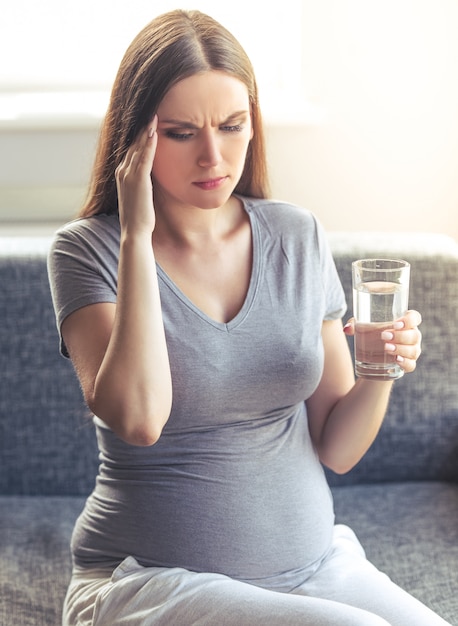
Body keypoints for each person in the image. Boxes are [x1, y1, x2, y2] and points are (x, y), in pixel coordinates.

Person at [47, 9, 449, 626]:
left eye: (233, 126)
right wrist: (137, 235)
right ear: (136, 138)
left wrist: (380, 372)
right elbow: (139, 418)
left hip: (315, 567)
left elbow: (337, 449)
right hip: (149, 581)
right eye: (181, 133)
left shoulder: (297, 233)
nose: (214, 156)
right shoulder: (85, 251)